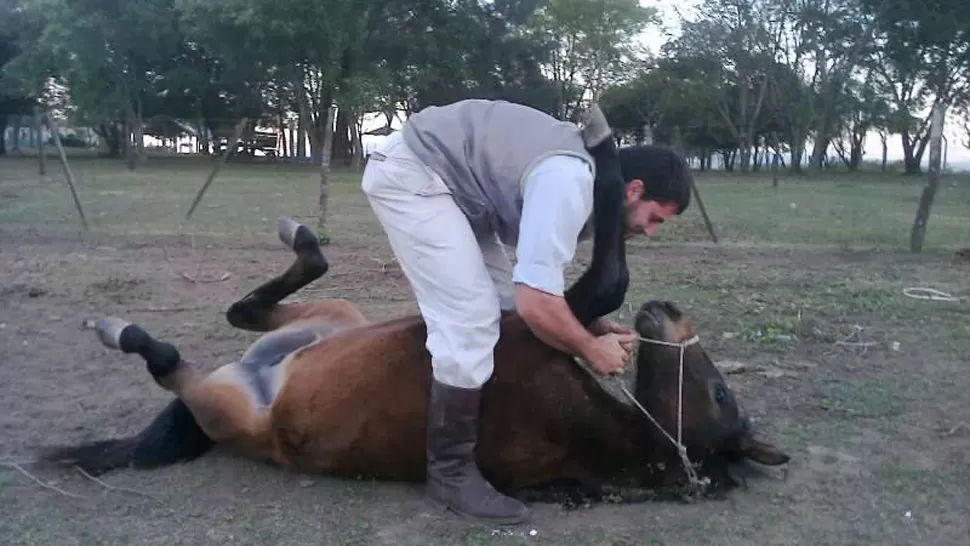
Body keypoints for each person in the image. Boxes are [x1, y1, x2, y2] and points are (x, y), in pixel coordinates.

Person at [360, 99, 692, 524]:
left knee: (502, 307)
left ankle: (483, 424)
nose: (648, 232)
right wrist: (590, 348)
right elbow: (537, 304)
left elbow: (528, 297)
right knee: (471, 320)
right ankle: (449, 470)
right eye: (655, 219)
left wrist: (585, 323)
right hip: (413, 173)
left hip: (457, 190)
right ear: (635, 190)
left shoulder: (588, 187)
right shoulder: (570, 182)